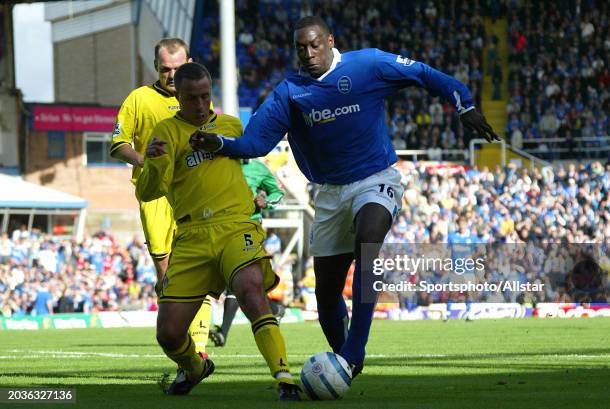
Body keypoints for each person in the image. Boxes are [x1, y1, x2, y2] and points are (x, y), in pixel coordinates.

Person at [190, 16, 500, 379]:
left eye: (314, 45)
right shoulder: (289, 92)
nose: (307, 53)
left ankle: (354, 350)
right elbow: (255, 143)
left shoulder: (367, 64)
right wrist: (220, 143)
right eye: (300, 48)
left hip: (375, 178)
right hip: (329, 194)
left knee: (368, 240)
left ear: (330, 41)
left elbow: (425, 74)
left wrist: (463, 104)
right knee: (325, 295)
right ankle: (345, 364)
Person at [137, 62, 300, 400]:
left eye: (205, 97)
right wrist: (152, 161)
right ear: (177, 97)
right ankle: (195, 368)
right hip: (192, 235)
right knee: (168, 334)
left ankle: (284, 378)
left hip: (235, 227)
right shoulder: (165, 133)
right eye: (191, 98)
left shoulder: (229, 125)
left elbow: (257, 152)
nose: (199, 105)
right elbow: (149, 192)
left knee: (251, 291)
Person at [110, 38, 212, 354]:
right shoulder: (138, 99)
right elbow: (118, 144)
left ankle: (199, 345)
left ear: (190, 64)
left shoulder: (197, 100)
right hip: (155, 196)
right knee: (166, 273)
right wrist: (144, 160)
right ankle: (177, 337)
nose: (171, 75)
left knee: (201, 265)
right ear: (156, 66)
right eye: (165, 69)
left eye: (178, 68)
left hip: (191, 193)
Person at [209, 159, 285, 347]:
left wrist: (265, 201)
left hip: (249, 226)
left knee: (235, 278)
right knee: (243, 282)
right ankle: (274, 309)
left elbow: (277, 192)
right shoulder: (219, 164)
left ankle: (222, 333)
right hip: (223, 227)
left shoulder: (257, 168)